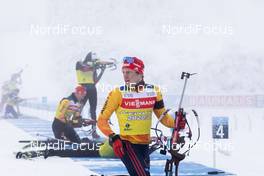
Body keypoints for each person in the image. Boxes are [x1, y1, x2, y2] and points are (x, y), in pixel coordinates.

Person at [97, 57, 184, 176]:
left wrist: (177, 123)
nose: (125, 76)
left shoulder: (154, 92)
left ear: (139, 73)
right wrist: (113, 137)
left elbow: (163, 118)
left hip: (144, 145)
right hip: (127, 144)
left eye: (129, 72)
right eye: (123, 72)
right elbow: (101, 121)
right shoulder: (117, 93)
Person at [76, 51, 106, 139]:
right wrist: (95, 66)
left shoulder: (94, 67)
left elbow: (95, 81)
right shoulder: (79, 63)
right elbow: (84, 69)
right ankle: (72, 129)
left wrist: (102, 71)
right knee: (79, 109)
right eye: (93, 60)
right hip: (83, 88)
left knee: (93, 111)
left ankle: (94, 131)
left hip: (92, 88)